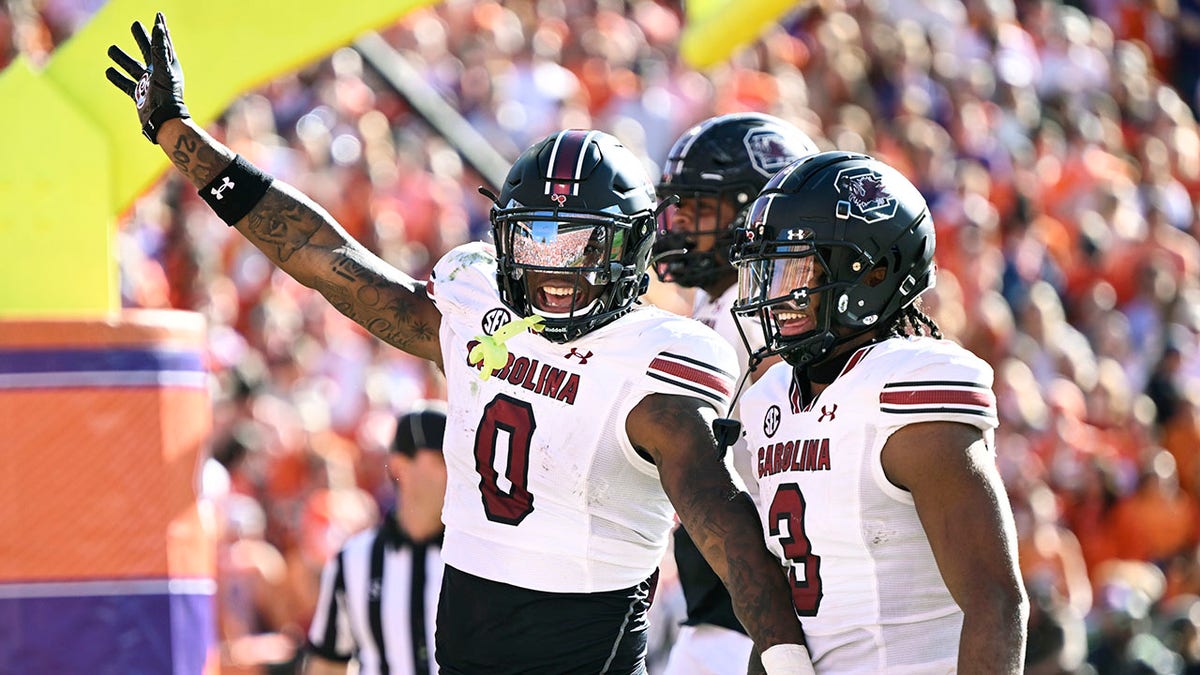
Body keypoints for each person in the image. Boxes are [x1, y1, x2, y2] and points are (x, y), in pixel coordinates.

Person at [105, 14, 812, 674]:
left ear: (629, 246)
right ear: (504, 238)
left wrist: (782, 656)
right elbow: (325, 259)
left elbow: (722, 520)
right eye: (535, 237)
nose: (554, 263)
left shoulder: (654, 358)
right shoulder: (477, 309)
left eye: (579, 241)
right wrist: (181, 137)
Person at [727, 150, 1029, 672]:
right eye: (766, 274)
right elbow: (791, 607)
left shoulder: (907, 389)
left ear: (874, 272)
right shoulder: (766, 402)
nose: (775, 299)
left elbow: (996, 602)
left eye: (795, 270)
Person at [653, 112, 817, 675]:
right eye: (681, 204)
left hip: (754, 607)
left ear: (755, 213)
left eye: (700, 207)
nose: (680, 222)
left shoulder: (766, 319)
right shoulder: (724, 306)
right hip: (726, 600)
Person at [304, 403, 449, 675]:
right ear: (399, 467)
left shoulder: (475, 557)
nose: (456, 472)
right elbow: (327, 662)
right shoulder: (353, 559)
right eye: (442, 460)